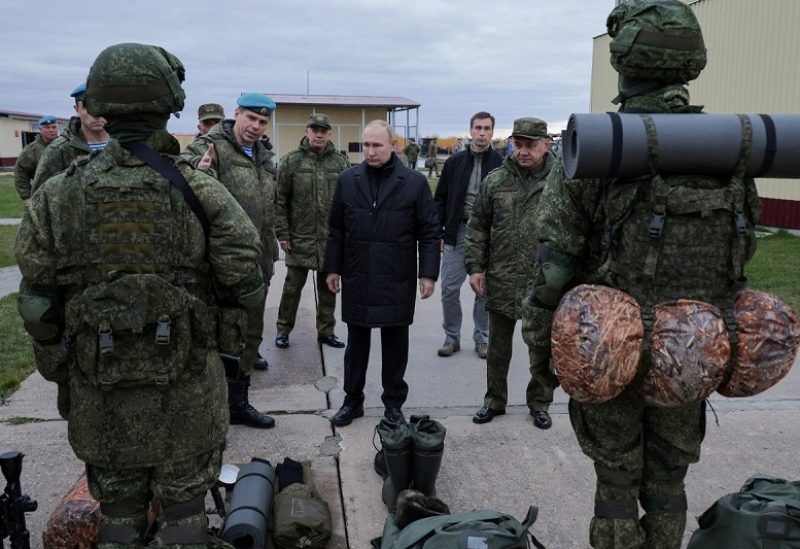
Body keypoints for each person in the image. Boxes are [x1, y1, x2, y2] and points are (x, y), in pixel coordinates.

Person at [527, 1, 762, 546]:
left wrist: (542, 354)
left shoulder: (596, 149)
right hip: (693, 351)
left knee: (615, 479)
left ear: (622, 60)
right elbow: (740, 254)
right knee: (668, 479)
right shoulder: (730, 148)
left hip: (607, 350)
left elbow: (553, 272)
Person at [15, 42, 265, 548]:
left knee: (119, 512)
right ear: (168, 101)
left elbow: (38, 305)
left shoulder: (58, 195)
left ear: (101, 104)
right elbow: (246, 283)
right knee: (184, 514)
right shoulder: (202, 190)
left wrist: (64, 373)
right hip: (188, 388)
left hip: (101, 386)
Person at [324, 120, 440, 427]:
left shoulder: (413, 183)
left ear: (393, 146)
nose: (371, 151)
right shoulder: (348, 180)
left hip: (396, 276)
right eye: (366, 145)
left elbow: (429, 232)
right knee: (357, 344)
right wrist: (333, 268)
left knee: (394, 345)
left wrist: (428, 274)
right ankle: (353, 401)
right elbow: (336, 229)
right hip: (358, 274)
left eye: (377, 145)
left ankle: (393, 405)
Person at [182, 92, 279, 428]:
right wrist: (197, 174)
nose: (255, 126)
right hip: (217, 266)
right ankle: (208, 411)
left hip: (258, 261)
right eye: (250, 118)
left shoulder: (265, 156)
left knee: (250, 335)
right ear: (236, 113)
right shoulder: (211, 147)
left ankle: (238, 403)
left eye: (262, 121)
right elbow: (181, 184)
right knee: (212, 337)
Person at [465, 117, 559, 429]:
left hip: (543, 281)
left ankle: (540, 403)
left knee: (541, 348)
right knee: (498, 347)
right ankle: (494, 400)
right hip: (502, 276)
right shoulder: (496, 181)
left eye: (530, 145)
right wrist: (475, 267)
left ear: (546, 144)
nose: (523, 151)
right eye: (518, 144)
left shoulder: (561, 182)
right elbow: (477, 227)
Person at [274, 113, 350, 350]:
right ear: (307, 131)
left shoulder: (340, 163)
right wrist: (283, 233)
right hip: (299, 238)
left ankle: (326, 332)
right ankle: (283, 330)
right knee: (292, 287)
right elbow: (280, 200)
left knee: (328, 287)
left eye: (323, 130)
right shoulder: (290, 161)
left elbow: (348, 202)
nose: (318, 134)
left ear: (329, 133)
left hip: (330, 239)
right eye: (314, 129)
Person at [433, 112, 502, 359]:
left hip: (489, 234)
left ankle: (481, 338)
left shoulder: (502, 163)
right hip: (457, 231)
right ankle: (452, 337)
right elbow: (440, 198)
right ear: (470, 130)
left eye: (486, 128)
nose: (482, 132)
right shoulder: (455, 162)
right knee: (449, 289)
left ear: (492, 132)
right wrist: (441, 229)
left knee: (483, 289)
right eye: (478, 128)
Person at [31, 83, 110, 193]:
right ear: (77, 109)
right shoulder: (59, 150)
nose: (96, 113)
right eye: (88, 107)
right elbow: (40, 198)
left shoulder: (126, 144)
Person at [14, 114, 60, 203]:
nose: (51, 130)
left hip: (65, 195)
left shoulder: (66, 146)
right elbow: (21, 173)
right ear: (40, 129)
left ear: (58, 128)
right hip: (42, 197)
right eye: (47, 127)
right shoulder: (31, 150)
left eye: (54, 127)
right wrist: (26, 197)